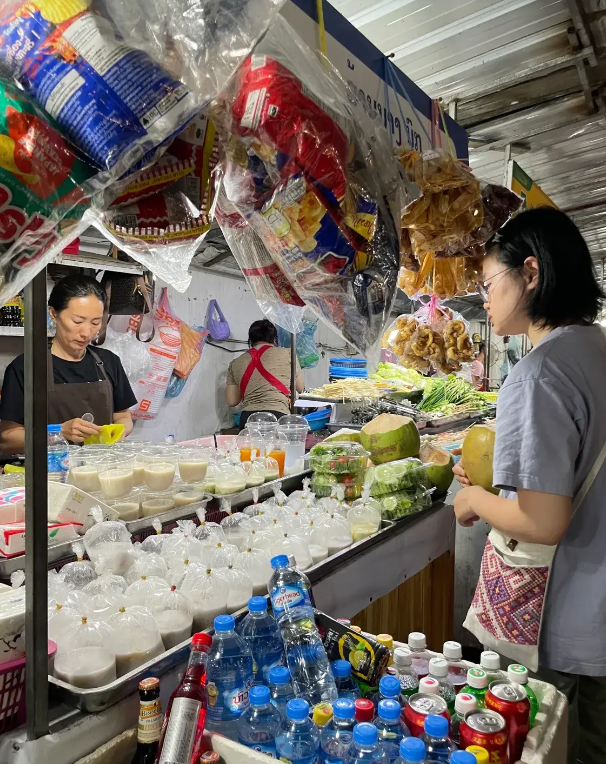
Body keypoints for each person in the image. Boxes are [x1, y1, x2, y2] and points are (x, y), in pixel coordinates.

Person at [453, 207, 606, 763]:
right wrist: (498, 485)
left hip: (568, 618)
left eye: (489, 282)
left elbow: (543, 521)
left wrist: (473, 498)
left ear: (531, 273)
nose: (486, 299)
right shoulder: (596, 347)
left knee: (555, 747)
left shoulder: (540, 371)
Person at [0, 274, 137, 454]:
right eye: (77, 321)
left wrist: (119, 431)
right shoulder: (26, 367)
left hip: (100, 467)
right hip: (49, 470)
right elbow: (8, 438)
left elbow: (123, 416)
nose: (86, 333)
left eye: (95, 323)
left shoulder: (109, 362)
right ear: (53, 314)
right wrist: (58, 432)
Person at [226, 319, 304, 429]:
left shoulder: (235, 363)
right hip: (278, 416)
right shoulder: (289, 354)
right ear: (274, 339)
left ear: (251, 340)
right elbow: (300, 388)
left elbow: (232, 401)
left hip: (248, 419)